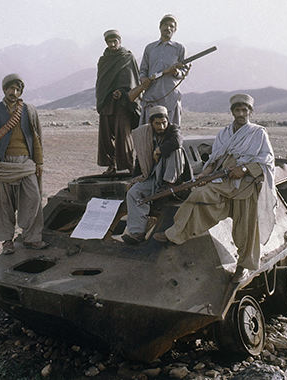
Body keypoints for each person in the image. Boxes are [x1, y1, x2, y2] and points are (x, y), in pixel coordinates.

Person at [154, 94, 276, 283]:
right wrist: (205, 174)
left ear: (250, 112)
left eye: (245, 110)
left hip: (246, 185)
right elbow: (214, 159)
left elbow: (267, 162)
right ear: (232, 112)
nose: (241, 114)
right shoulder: (224, 133)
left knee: (245, 230)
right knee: (198, 195)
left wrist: (243, 169)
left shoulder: (258, 133)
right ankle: (175, 234)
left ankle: (243, 267)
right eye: (237, 110)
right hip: (223, 180)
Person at [0, 73, 49, 255]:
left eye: (18, 89)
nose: (14, 92)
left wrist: (39, 162)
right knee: (5, 204)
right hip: (3, 164)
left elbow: (36, 138)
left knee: (34, 197)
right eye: (11, 88)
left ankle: (31, 237)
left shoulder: (29, 110)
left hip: (26, 162)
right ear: (4, 89)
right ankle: (7, 241)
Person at [122, 105, 186, 244]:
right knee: (133, 193)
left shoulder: (173, 129)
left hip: (170, 176)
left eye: (164, 123)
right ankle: (137, 232)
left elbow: (177, 142)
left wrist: (159, 151)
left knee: (176, 150)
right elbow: (140, 159)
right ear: (151, 123)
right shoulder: (144, 135)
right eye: (157, 123)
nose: (161, 126)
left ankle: (167, 184)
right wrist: (134, 180)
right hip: (152, 175)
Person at [96, 29, 141, 174]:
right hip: (106, 102)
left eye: (115, 41)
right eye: (109, 42)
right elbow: (101, 82)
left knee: (123, 134)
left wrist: (122, 90)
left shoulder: (127, 57)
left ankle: (128, 165)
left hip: (123, 102)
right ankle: (112, 164)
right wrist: (103, 96)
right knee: (106, 135)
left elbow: (132, 79)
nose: (112, 44)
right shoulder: (103, 60)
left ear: (120, 41)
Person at [138, 14, 186, 126]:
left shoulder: (180, 48)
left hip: (170, 97)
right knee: (148, 132)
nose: (168, 28)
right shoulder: (150, 48)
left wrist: (176, 72)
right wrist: (143, 78)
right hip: (151, 96)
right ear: (160, 27)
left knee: (171, 132)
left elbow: (184, 72)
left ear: (175, 30)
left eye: (171, 26)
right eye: (166, 25)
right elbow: (143, 69)